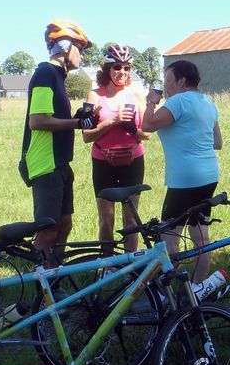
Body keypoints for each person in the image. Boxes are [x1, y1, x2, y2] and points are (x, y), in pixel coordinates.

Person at [21, 20, 98, 263]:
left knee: (64, 225)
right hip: (46, 165)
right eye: (81, 48)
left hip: (60, 164)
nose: (83, 55)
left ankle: (53, 282)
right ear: (65, 47)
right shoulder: (45, 73)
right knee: (48, 231)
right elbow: (38, 121)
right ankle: (41, 293)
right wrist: (78, 124)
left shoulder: (57, 76)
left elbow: (51, 118)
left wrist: (76, 118)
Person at [141, 60, 223, 283]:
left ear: (182, 80)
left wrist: (150, 102)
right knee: (201, 235)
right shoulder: (208, 103)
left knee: (169, 237)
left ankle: (165, 293)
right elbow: (218, 142)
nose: (165, 86)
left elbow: (146, 125)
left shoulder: (177, 102)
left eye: (168, 80)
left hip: (183, 180)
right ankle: (198, 287)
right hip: (209, 175)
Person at [82, 44, 149, 251]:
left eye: (126, 68)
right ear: (107, 69)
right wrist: (113, 121)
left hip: (133, 161)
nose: (122, 72)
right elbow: (86, 136)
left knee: (131, 221)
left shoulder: (136, 94)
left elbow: (146, 134)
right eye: (117, 67)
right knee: (106, 219)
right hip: (103, 162)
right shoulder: (94, 95)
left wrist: (131, 129)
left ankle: (131, 268)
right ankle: (107, 264)